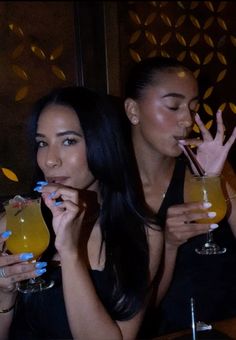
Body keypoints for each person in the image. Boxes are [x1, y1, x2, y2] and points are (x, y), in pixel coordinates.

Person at [0, 86, 163, 339]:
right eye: (42, 143)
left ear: (103, 143)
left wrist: (70, 252)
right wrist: (4, 293)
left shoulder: (143, 233)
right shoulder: (18, 222)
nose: (50, 160)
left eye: (68, 141)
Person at [123, 56, 236, 337]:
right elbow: (133, 310)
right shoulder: (112, 190)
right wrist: (168, 244)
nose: (187, 120)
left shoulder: (206, 171)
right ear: (133, 110)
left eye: (193, 107)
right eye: (173, 106)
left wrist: (218, 180)